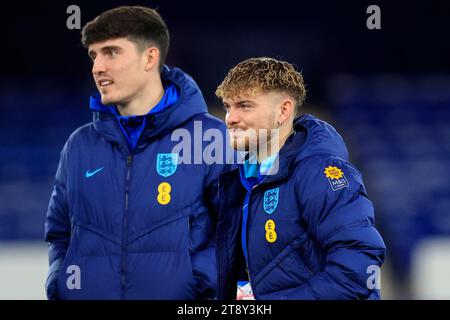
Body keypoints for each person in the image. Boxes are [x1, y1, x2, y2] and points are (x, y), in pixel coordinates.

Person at [44, 6, 230, 299]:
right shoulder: (79, 145)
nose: (97, 67)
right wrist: (61, 285)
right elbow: (59, 233)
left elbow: (232, 229)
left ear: (150, 57)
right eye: (94, 55)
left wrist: (198, 284)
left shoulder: (207, 137)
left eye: (111, 52)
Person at [214, 57, 386, 300]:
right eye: (227, 107)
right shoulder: (239, 181)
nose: (230, 118)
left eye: (244, 105)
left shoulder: (318, 172)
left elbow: (357, 272)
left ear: (283, 110)